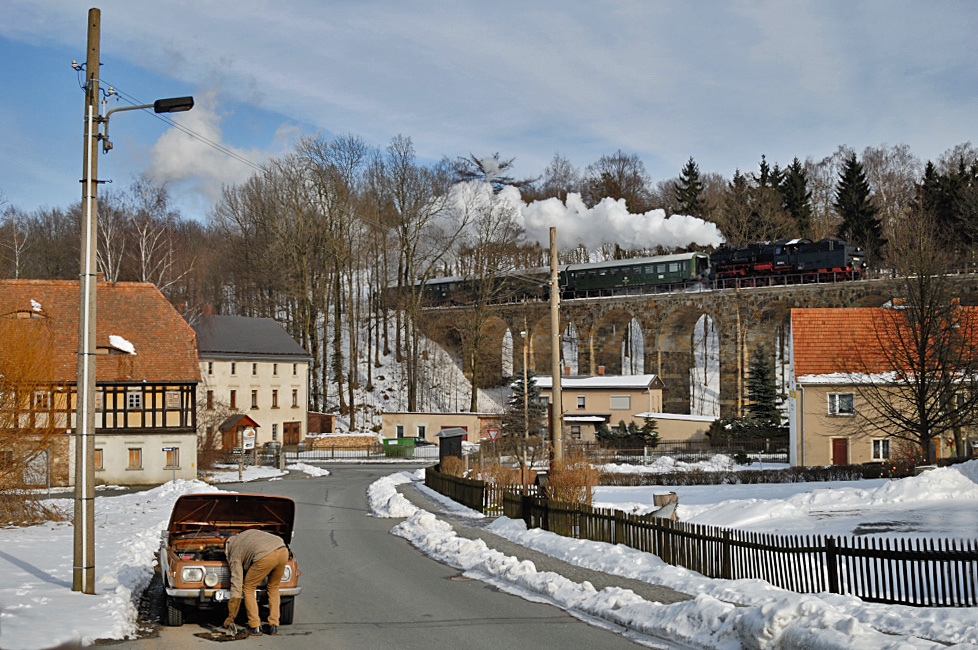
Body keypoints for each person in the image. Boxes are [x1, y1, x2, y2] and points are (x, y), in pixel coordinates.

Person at [223, 529, 290, 636]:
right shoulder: (248, 534)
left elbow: (237, 582)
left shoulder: (233, 549)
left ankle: (254, 626)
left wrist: (231, 615)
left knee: (248, 588)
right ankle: (273, 625)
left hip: (265, 556)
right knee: (273, 587)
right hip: (282, 550)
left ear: (227, 548)